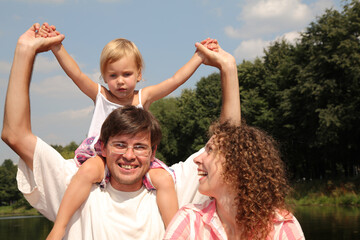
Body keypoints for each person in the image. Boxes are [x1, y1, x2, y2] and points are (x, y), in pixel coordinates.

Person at [1, 23, 240, 239]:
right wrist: (44, 48)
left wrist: (218, 64)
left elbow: (226, 142)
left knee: (164, 179)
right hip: (93, 159)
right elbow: (17, 132)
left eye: (139, 146)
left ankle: (175, 232)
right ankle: (59, 226)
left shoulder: (169, 182)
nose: (128, 155)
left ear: (153, 149)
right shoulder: (76, 180)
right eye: (119, 144)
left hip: (158, 185)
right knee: (88, 170)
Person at [164, 125, 305, 236]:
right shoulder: (189, 220)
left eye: (210, 150)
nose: (197, 159)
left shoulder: (282, 225)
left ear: (236, 165)